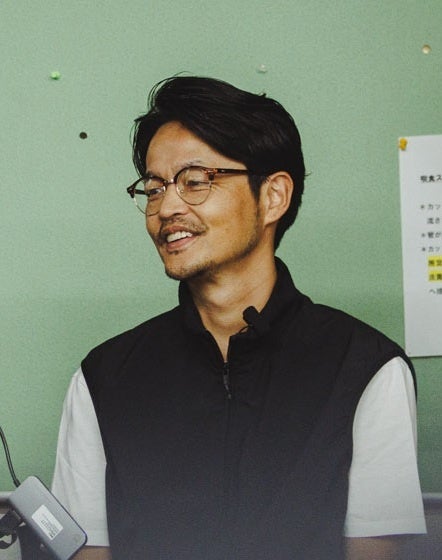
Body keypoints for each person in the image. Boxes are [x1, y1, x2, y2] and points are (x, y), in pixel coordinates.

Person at [52, 76, 426, 560]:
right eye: (154, 187)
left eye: (194, 181)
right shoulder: (104, 377)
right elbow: (87, 551)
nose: (166, 207)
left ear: (273, 197)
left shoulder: (365, 367)